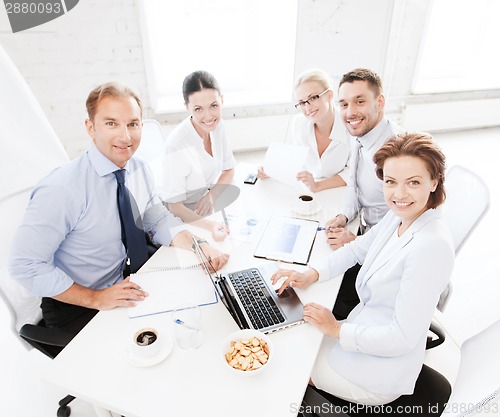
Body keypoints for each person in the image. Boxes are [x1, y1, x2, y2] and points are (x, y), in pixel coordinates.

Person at [9, 82, 229, 338]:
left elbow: (156, 220)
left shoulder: (139, 169)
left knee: (197, 321)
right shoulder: (62, 189)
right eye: (111, 123)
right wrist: (96, 298)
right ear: (90, 127)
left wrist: (197, 244)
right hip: (80, 300)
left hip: (127, 278)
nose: (125, 137)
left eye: (132, 124)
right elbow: (24, 266)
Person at [272, 132, 454, 405]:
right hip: (364, 329)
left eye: (413, 182)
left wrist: (336, 330)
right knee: (297, 337)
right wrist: (311, 272)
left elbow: (402, 338)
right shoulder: (401, 214)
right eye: (391, 182)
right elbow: (358, 249)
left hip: (381, 371)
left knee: (291, 366)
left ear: (434, 181)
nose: (399, 194)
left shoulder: (432, 247)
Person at [324, 68, 404, 320]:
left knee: (328, 301)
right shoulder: (361, 132)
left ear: (379, 102)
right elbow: (354, 184)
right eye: (344, 104)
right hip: (366, 234)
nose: (350, 113)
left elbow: (403, 225)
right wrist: (343, 215)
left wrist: (356, 244)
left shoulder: (396, 154)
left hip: (387, 253)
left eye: (360, 101)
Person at [160, 70, 236, 242]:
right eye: (198, 109)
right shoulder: (177, 145)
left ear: (222, 100)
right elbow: (175, 207)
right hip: (181, 217)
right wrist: (210, 226)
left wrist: (212, 195)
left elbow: (229, 170)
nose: (209, 116)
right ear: (187, 107)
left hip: (205, 205)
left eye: (214, 105)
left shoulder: (218, 125)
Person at [257, 69, 350, 192]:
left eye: (313, 98)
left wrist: (318, 186)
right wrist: (271, 169)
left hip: (338, 191)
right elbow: (296, 157)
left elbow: (352, 172)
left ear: (329, 96)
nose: (307, 108)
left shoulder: (350, 127)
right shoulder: (300, 123)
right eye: (302, 102)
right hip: (308, 190)